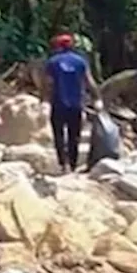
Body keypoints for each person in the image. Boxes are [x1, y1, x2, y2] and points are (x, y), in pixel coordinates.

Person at [43, 34, 102, 173]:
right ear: (72, 46)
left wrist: (44, 101)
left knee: (58, 134)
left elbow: (47, 84)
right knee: (74, 135)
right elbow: (89, 82)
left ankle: (63, 164)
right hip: (76, 104)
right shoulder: (80, 62)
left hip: (58, 104)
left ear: (58, 47)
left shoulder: (52, 62)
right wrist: (97, 99)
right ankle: (74, 165)